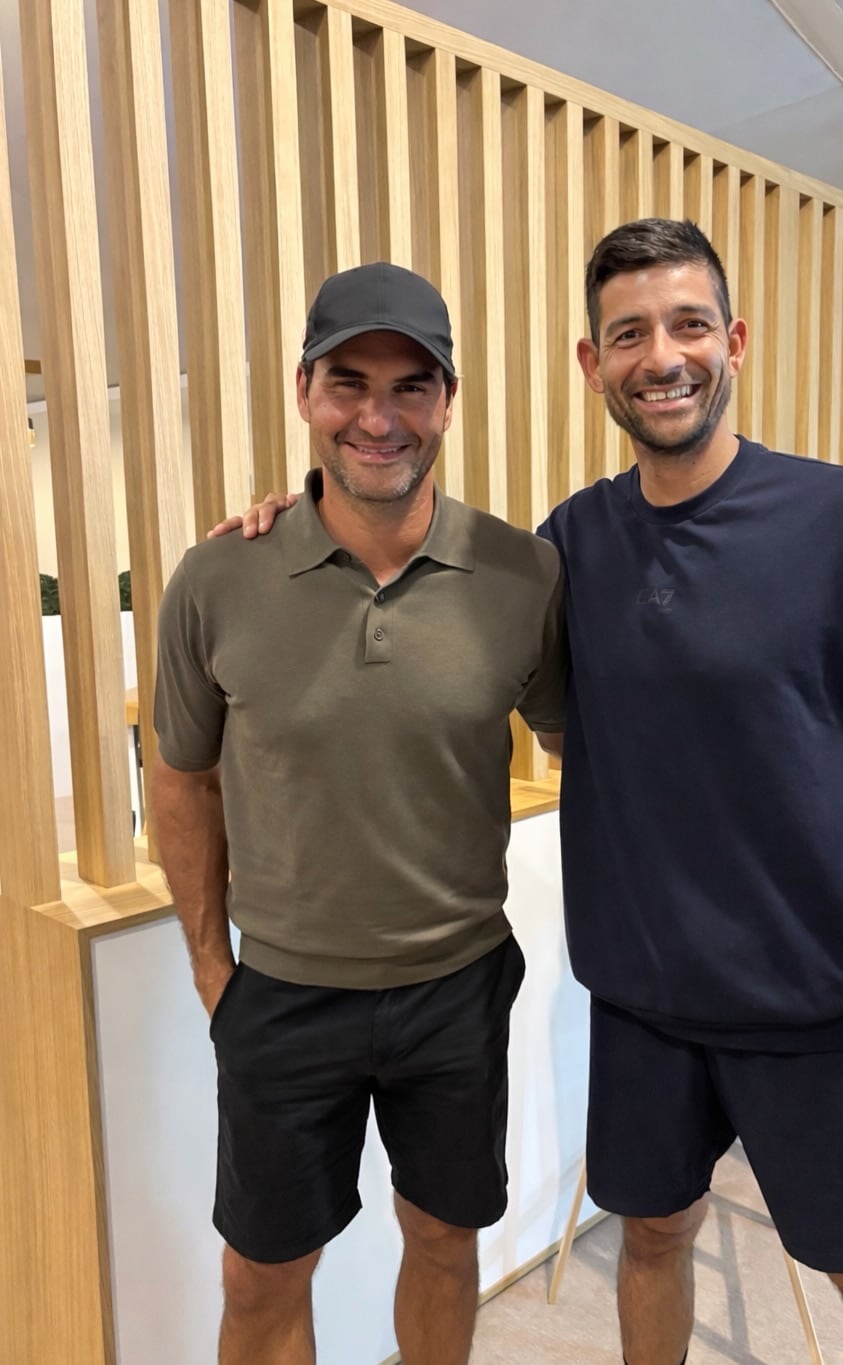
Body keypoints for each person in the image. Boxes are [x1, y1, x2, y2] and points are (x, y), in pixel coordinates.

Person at [229, 220, 843, 1365]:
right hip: (643, 1004)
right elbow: (415, 596)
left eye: (688, 324)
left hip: (819, 1005)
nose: (662, 355)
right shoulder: (566, 552)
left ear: (732, 340)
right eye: (627, 333)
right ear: (591, 364)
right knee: (650, 1240)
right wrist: (281, 534)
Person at [152, 261, 565, 1365]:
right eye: (349, 382)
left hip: (456, 985)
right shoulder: (218, 577)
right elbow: (181, 776)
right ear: (303, 392)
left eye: (411, 386)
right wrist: (209, 963)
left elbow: (593, 745)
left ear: (447, 402)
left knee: (441, 1239)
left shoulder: (522, 574)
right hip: (284, 991)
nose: (378, 418)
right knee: (261, 1276)